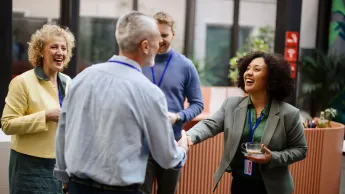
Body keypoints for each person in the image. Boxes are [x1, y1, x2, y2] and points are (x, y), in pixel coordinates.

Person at [53, 11, 189, 194]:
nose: (160, 45)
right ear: (145, 46)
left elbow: (63, 131)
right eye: (157, 40)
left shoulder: (82, 78)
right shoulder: (149, 93)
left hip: (77, 187)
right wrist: (182, 149)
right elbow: (167, 158)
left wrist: (64, 179)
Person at [186, 51, 308, 194]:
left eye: (256, 69)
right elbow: (210, 124)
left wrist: (272, 157)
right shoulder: (231, 105)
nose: (248, 73)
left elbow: (300, 150)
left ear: (271, 78)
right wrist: (189, 136)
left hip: (273, 188)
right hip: (240, 183)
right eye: (247, 68)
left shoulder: (289, 113)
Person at [1, 24, 75, 194]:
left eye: (64, 48)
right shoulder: (22, 82)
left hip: (62, 167)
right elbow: (7, 124)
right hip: (29, 168)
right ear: (41, 51)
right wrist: (46, 116)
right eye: (54, 47)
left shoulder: (68, 82)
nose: (60, 52)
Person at [140, 11, 203, 194]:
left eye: (164, 35)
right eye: (155, 34)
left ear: (173, 35)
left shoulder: (185, 66)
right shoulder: (139, 62)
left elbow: (197, 104)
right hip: (141, 144)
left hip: (172, 143)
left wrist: (178, 117)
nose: (160, 39)